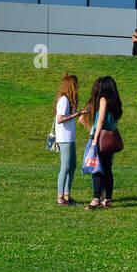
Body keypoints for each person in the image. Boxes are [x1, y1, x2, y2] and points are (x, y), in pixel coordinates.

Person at [79, 76, 123, 209]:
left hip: (100, 136)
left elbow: (101, 120)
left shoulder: (103, 100)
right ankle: (108, 199)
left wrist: (95, 137)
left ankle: (96, 198)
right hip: (110, 138)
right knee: (108, 169)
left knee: (97, 168)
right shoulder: (116, 102)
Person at [53, 72, 84, 206]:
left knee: (72, 166)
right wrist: (74, 116)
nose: (78, 87)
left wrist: (79, 114)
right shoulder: (63, 100)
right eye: (76, 84)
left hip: (69, 137)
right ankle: (60, 199)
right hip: (64, 138)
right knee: (65, 167)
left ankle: (67, 196)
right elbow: (59, 119)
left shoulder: (69, 100)